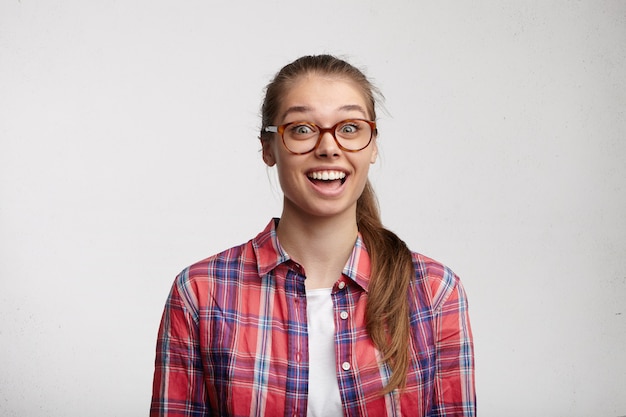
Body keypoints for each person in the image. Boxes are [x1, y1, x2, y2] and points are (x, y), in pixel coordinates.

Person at [150, 54, 476, 417]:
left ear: (373, 146)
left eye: (350, 128)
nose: (329, 147)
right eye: (302, 129)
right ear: (268, 148)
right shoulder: (201, 292)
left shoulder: (435, 292)